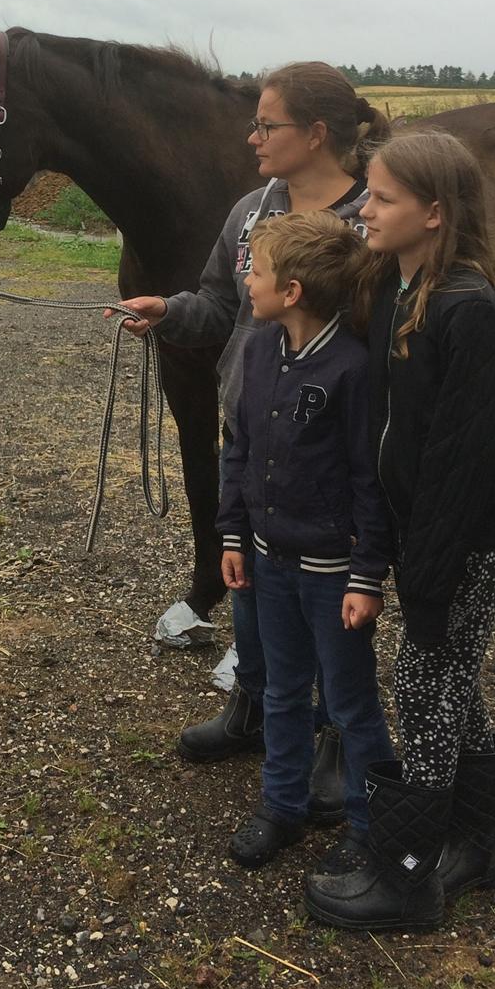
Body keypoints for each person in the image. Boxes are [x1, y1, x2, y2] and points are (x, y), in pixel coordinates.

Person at [116, 63, 387, 814]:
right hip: (253, 426)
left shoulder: (376, 217)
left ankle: (334, 735)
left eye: (268, 125)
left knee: (329, 598)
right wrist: (168, 313)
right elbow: (217, 304)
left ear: (316, 134)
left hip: (333, 443)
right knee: (252, 587)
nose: (254, 136)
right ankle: (256, 709)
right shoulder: (249, 211)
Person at [304, 130, 495, 932]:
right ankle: (477, 842)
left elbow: (457, 465)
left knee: (425, 690)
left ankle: (408, 878)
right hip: (422, 533)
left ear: (435, 214)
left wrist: (424, 582)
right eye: (368, 191)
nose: (365, 207)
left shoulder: (467, 309)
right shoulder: (396, 285)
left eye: (384, 197)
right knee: (449, 681)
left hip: (464, 537)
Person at [218, 212, 394, 871]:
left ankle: (371, 823)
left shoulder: (351, 369)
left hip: (332, 574)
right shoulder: (260, 349)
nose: (246, 279)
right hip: (267, 563)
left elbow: (368, 478)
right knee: (282, 693)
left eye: (256, 270)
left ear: (291, 292)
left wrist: (366, 574)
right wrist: (233, 531)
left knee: (348, 704)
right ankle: (283, 807)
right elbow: (239, 448)